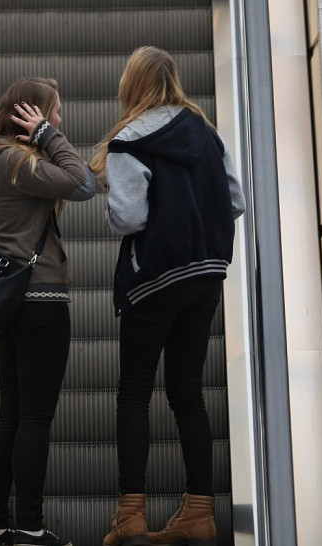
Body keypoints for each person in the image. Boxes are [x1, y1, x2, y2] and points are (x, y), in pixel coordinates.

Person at [90, 47, 246, 546]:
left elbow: (130, 218)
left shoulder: (129, 140)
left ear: (131, 84)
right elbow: (236, 200)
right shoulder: (207, 132)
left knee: (135, 391)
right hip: (206, 276)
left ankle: (131, 516)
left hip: (155, 279)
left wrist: (112, 213)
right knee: (187, 392)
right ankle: (199, 512)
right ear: (173, 79)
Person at [0, 77, 96, 546]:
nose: (59, 121)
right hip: (39, 300)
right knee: (35, 417)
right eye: (53, 112)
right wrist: (47, 137)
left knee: (11, 414)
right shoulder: (21, 161)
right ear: (33, 114)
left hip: (6, 301)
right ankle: (30, 529)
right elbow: (85, 184)